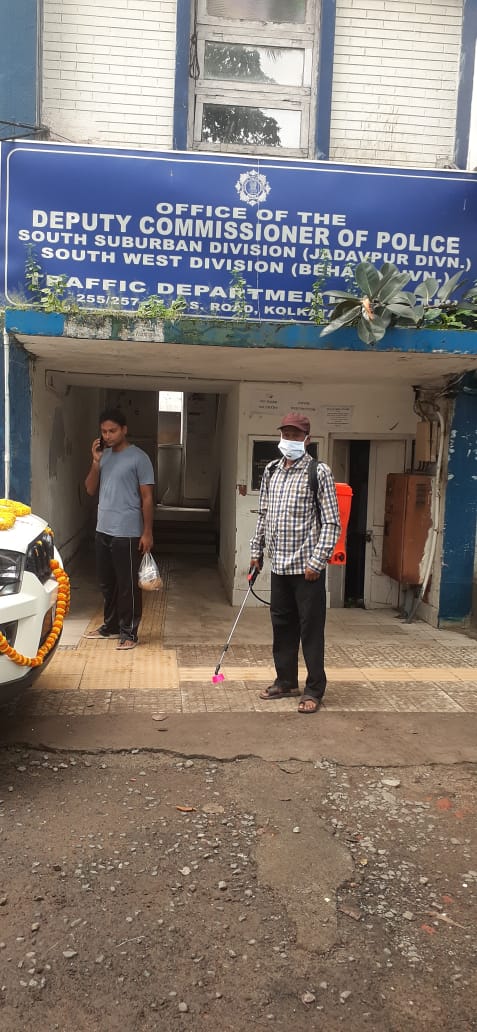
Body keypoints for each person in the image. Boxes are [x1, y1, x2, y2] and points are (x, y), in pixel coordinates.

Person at [250, 412, 340, 714]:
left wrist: (317, 561)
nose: (289, 440)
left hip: (307, 569)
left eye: (295, 435)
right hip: (279, 567)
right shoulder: (272, 470)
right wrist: (256, 551)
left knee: (311, 630)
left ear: (307, 439)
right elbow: (264, 515)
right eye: (285, 434)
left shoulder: (319, 472)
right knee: (282, 626)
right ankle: (286, 681)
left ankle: (314, 689)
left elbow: (331, 523)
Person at [84, 407, 155, 650]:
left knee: (127, 585)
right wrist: (95, 462)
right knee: (107, 583)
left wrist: (147, 532)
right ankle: (111, 626)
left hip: (128, 531)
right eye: (104, 431)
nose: (107, 436)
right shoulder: (103, 456)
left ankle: (129, 632)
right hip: (103, 529)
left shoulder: (139, 458)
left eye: (112, 431)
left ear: (124, 430)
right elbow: (90, 489)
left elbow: (147, 497)